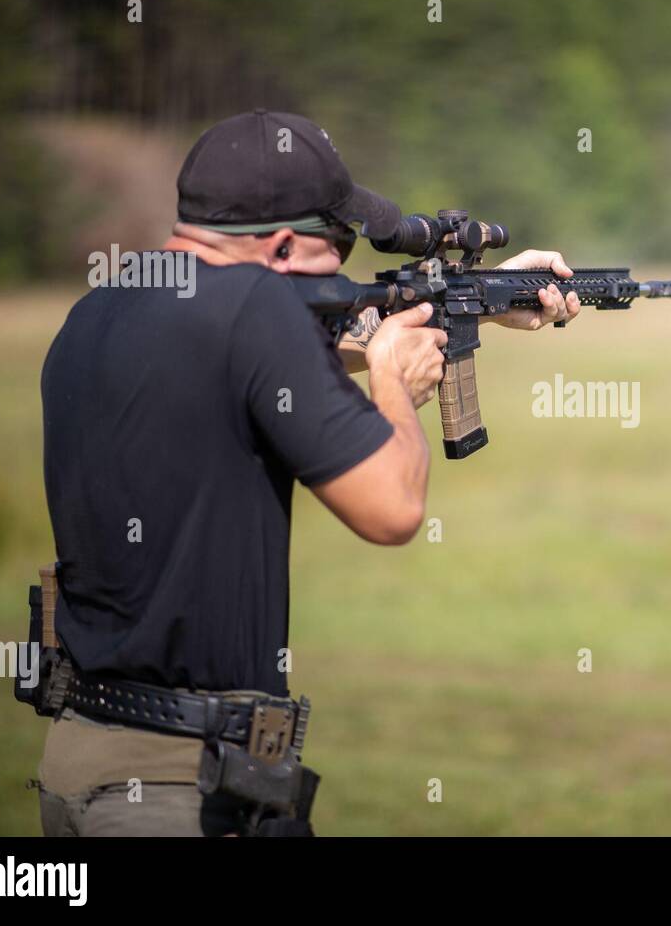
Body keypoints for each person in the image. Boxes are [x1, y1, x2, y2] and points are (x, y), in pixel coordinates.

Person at [33, 110, 579, 835]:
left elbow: (269, 359)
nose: (348, 272)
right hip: (182, 792)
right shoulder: (257, 311)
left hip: (75, 762)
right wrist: (392, 382)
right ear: (285, 246)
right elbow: (392, 511)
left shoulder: (95, 313)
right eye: (341, 246)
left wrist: (473, 304)